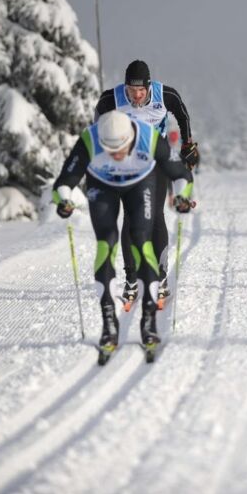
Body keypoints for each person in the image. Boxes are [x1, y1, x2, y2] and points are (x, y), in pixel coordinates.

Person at [52, 111, 195, 353]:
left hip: (140, 184)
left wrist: (182, 196)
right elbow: (64, 182)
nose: (115, 154)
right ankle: (109, 321)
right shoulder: (90, 138)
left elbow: (181, 174)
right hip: (102, 184)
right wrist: (63, 201)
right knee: (106, 242)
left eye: (120, 148)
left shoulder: (148, 137)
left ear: (130, 138)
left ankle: (148, 319)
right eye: (109, 149)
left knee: (141, 238)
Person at [94, 60, 200, 305]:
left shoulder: (164, 95)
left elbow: (182, 113)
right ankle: (132, 279)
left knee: (155, 217)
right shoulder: (113, 98)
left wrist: (187, 144)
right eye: (132, 91)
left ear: (148, 86)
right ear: (126, 87)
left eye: (141, 91)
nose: (137, 95)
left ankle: (160, 278)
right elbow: (98, 117)